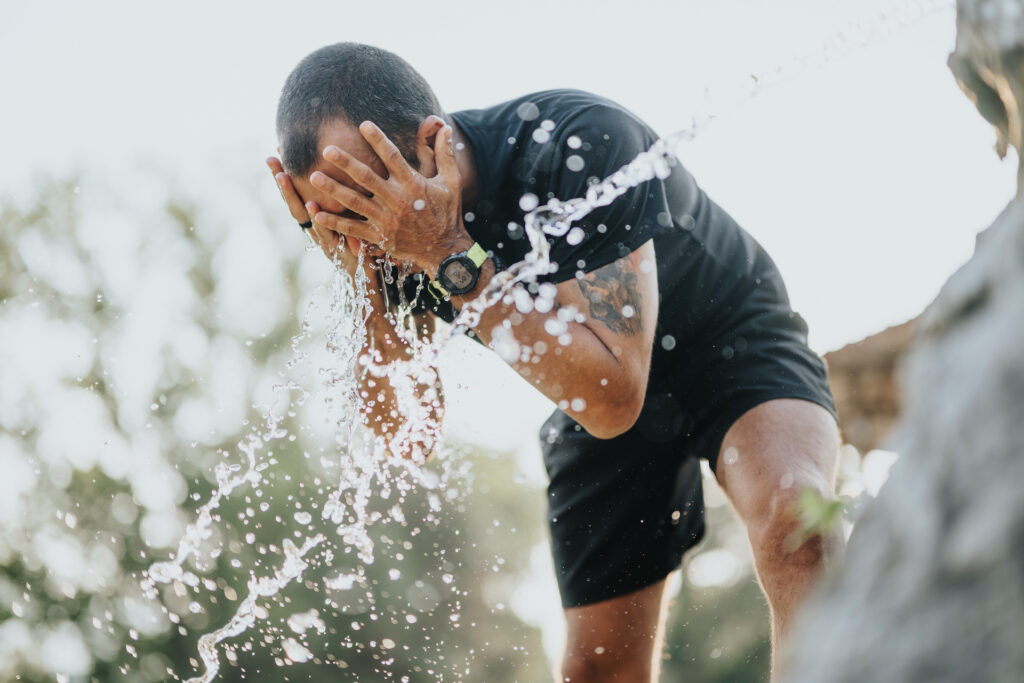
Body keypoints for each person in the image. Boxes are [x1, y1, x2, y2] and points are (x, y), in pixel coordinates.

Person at [267, 42, 841, 682]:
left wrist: (449, 253)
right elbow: (405, 437)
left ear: (431, 144)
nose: (367, 233)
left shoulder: (577, 146)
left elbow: (616, 395)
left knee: (798, 522)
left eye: (368, 209)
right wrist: (364, 284)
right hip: (588, 384)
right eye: (340, 219)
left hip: (726, 336)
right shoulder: (385, 232)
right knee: (595, 672)